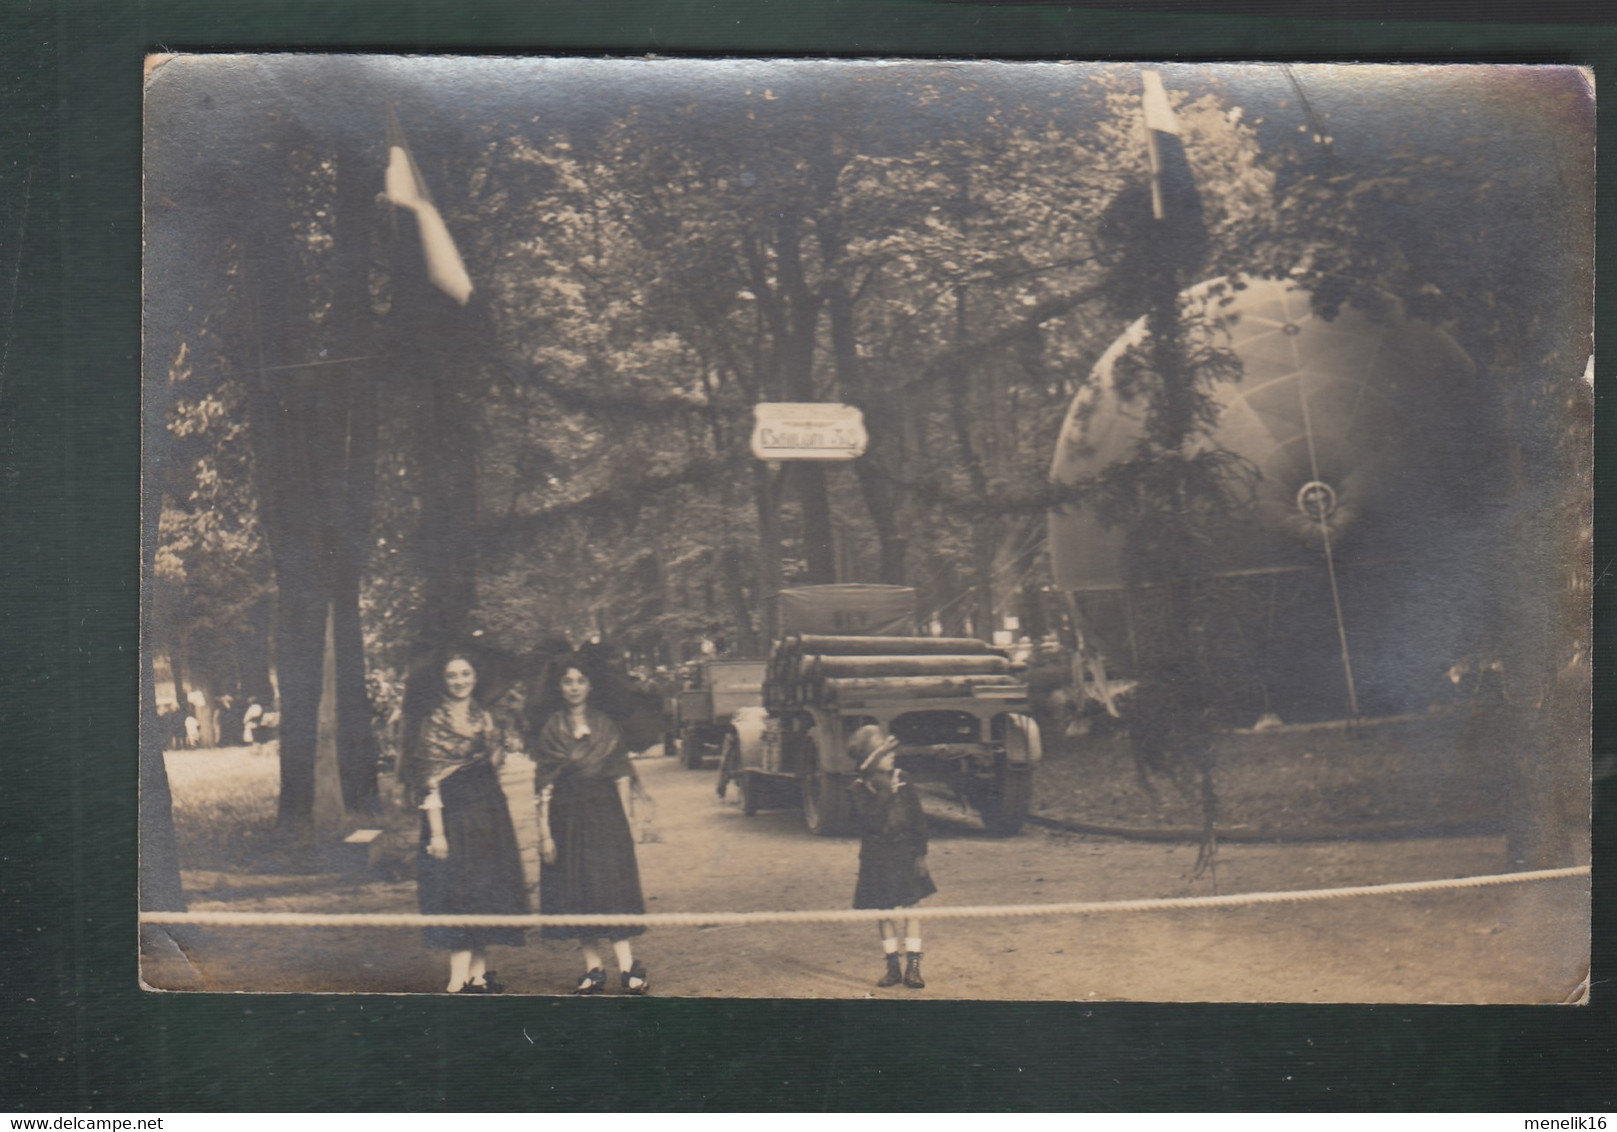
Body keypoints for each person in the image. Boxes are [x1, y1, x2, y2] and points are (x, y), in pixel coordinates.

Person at [400, 653, 528, 994]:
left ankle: (479, 976)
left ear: (475, 677)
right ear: (444, 680)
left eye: (465, 674)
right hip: (451, 814)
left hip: (488, 812)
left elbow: (495, 762)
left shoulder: (485, 717)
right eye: (452, 675)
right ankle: (457, 980)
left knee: (486, 890)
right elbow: (430, 780)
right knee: (457, 890)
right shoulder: (433, 722)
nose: (459, 681)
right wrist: (438, 832)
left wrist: (494, 737)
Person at [530, 657, 650, 995]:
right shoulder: (552, 729)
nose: (573, 687)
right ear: (559, 686)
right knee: (577, 887)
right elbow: (542, 786)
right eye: (567, 681)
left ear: (590, 685)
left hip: (605, 814)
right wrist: (544, 833)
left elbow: (621, 775)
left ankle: (629, 968)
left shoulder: (606, 725)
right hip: (566, 817)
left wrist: (628, 821)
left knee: (610, 886)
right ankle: (592, 968)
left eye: (580, 680)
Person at [847, 724, 936, 989]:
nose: (892, 757)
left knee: (912, 908)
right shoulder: (859, 789)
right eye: (885, 754)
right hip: (876, 858)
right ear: (871, 760)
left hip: (905, 853)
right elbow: (871, 820)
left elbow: (918, 821)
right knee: (883, 912)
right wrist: (887, 791)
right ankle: (893, 966)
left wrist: (920, 854)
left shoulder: (904, 780)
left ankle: (914, 967)